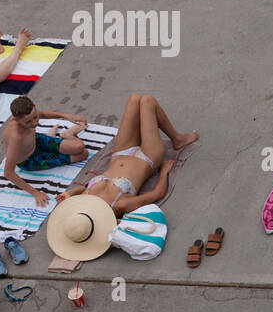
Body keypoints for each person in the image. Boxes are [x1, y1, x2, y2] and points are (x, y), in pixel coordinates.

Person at [56, 94, 197, 219]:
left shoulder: (86, 201)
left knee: (134, 99)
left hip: (120, 152)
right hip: (147, 158)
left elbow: (83, 189)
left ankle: (151, 134)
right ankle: (178, 140)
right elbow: (157, 194)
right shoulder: (118, 205)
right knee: (148, 101)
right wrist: (164, 171)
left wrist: (70, 194)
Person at [2, 97, 89, 207]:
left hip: (36, 140)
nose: (34, 122)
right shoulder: (16, 137)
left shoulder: (28, 114)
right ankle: (57, 137)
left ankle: (66, 135)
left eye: (35, 117)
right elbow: (8, 173)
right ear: (16, 120)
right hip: (30, 160)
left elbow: (42, 113)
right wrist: (35, 193)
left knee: (79, 146)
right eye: (28, 121)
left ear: (34, 105)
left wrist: (66, 116)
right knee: (83, 154)